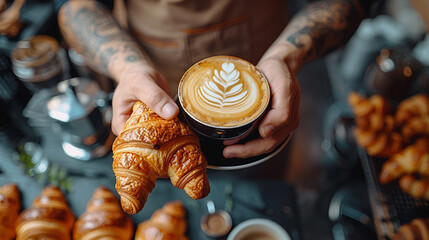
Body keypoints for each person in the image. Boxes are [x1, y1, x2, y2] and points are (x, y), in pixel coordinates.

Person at [56, 0, 372, 159]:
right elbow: (73, 6)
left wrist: (287, 57)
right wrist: (126, 68)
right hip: (156, 97)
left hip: (270, 98)